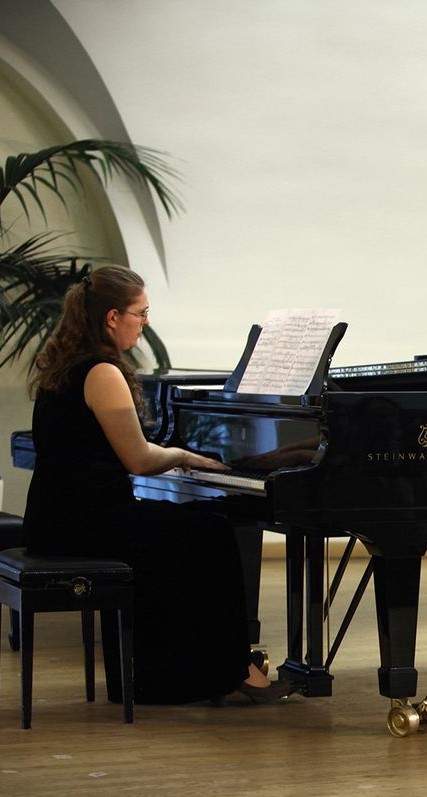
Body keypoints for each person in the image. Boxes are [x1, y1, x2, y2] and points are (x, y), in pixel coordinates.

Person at [25, 265, 291, 705]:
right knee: (213, 532)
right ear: (112, 317)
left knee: (192, 532)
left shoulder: (66, 366)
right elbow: (140, 459)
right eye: (141, 313)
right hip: (89, 524)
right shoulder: (103, 372)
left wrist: (177, 457)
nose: (145, 322)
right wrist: (184, 456)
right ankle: (223, 671)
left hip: (56, 520)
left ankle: (182, 670)